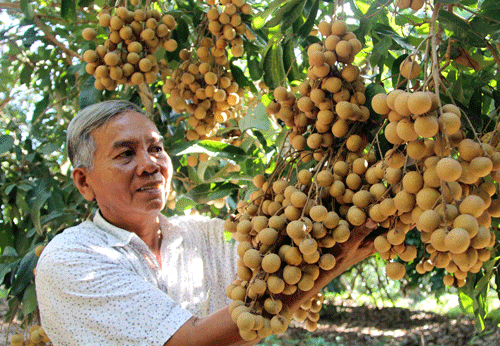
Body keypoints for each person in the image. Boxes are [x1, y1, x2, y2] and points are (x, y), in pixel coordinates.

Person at [35, 100, 377, 346]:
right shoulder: (71, 258)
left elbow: (289, 252)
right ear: (83, 182)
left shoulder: (204, 236)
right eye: (125, 154)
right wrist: (330, 268)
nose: (149, 164)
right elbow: (188, 342)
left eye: (156, 149)